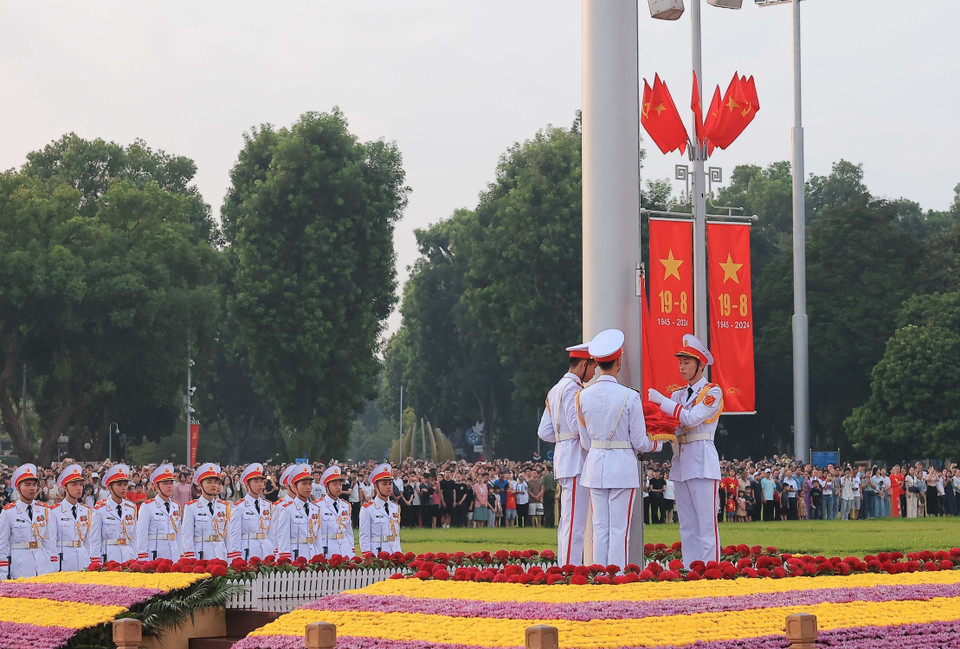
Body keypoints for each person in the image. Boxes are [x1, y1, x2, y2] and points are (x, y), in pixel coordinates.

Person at [578, 329, 662, 570]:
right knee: (619, 528)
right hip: (622, 466)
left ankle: (600, 573)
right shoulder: (629, 396)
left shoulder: (583, 396)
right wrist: (660, 442)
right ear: (619, 362)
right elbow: (641, 441)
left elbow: (585, 441)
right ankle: (617, 574)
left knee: (600, 526)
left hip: (595, 464)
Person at [648, 333, 723, 569]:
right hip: (681, 461)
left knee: (706, 524)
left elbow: (690, 419)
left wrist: (663, 402)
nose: (682, 366)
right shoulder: (678, 395)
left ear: (700, 364)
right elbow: (673, 426)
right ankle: (691, 568)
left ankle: (711, 570)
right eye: (680, 362)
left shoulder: (712, 392)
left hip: (702, 460)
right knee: (687, 523)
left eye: (687, 362)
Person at [537, 340, 595, 566]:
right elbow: (576, 425)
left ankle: (567, 565)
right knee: (574, 522)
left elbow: (544, 431)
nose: (593, 373)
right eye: (592, 367)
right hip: (576, 460)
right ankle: (569, 567)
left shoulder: (555, 389)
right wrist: (591, 442)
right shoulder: (574, 389)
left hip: (565, 457)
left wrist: (562, 439)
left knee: (569, 520)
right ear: (583, 364)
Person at [0, 464, 57, 578]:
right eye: (27, 485)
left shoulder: (44, 510)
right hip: (20, 565)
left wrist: (52, 566)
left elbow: (49, 541)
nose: (32, 488)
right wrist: (3, 574)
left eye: (34, 485)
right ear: (18, 488)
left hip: (42, 565)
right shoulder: (8, 512)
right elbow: (3, 546)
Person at [50, 464, 96, 572]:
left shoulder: (87, 511)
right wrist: (54, 566)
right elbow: (51, 543)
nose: (79, 488)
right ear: (65, 487)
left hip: (83, 558)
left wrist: (91, 561)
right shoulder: (54, 511)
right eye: (74, 485)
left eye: (81, 484)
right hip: (64, 561)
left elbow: (89, 540)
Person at [181, 463, 229, 561]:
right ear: (199, 485)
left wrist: (231, 558)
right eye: (209, 482)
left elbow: (228, 537)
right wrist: (191, 559)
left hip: (221, 555)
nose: (214, 485)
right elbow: (187, 536)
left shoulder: (224, 507)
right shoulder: (191, 507)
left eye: (216, 482)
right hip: (202, 556)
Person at [227, 463, 274, 563]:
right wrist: (236, 558)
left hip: (266, 550)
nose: (260, 485)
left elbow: (272, 534)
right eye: (256, 481)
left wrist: (273, 552)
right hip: (248, 551)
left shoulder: (268, 506)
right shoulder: (239, 507)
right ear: (247, 484)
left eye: (261, 481)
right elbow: (235, 535)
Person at [275, 464, 322, 562]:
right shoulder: (287, 510)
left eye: (310, 483)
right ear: (295, 487)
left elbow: (318, 538)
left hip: (313, 555)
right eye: (304, 484)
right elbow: (283, 539)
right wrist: (285, 561)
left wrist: (320, 558)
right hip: (296, 557)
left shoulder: (315, 509)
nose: (308, 487)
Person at [135, 464, 181, 562]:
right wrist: (142, 558)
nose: (169, 486)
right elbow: (142, 534)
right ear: (156, 486)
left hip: (174, 554)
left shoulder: (175, 506)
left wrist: (181, 555)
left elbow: (179, 534)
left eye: (171, 483)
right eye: (165, 483)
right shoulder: (148, 507)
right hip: (156, 555)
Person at [359, 463, 401, 555]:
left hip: (395, 552)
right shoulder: (368, 509)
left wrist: (399, 553)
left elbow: (396, 535)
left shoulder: (395, 507)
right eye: (384, 484)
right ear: (375, 486)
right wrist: (368, 557)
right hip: (377, 552)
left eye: (390, 483)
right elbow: (364, 536)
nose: (389, 486)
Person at [318, 465, 355, 558]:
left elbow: (349, 531)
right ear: (327, 486)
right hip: (327, 549)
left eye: (340, 484)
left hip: (345, 549)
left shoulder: (345, 506)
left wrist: (352, 550)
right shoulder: (318, 506)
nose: (338, 487)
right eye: (334, 484)